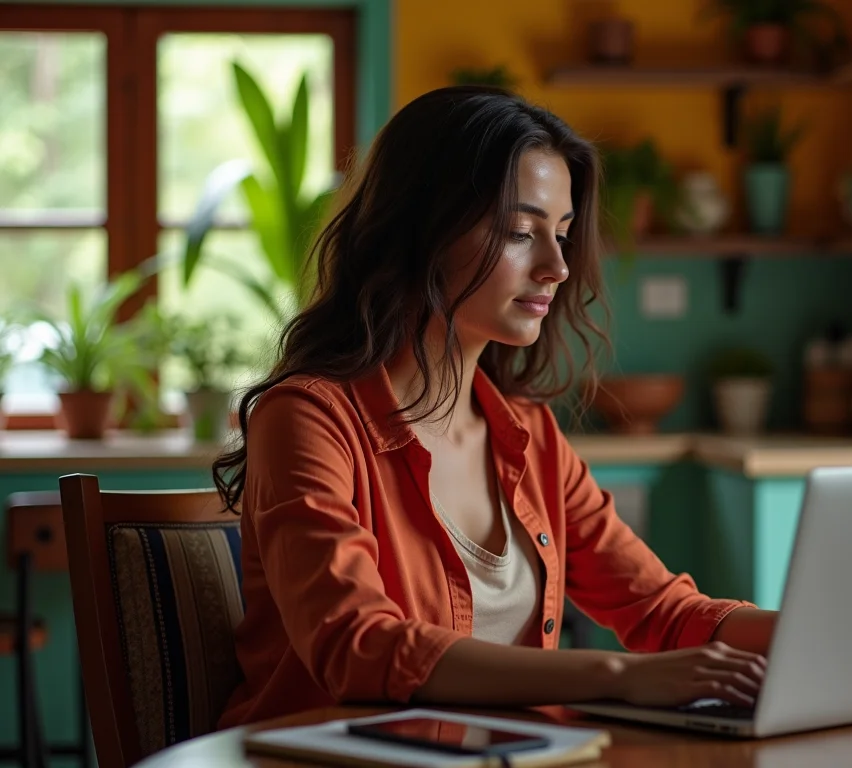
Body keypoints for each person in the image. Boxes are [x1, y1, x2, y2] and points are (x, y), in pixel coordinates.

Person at [215, 87, 778, 728]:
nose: (558, 267)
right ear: (420, 229)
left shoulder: (529, 433)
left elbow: (662, 611)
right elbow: (357, 645)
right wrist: (620, 676)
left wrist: (826, 636)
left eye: (562, 235)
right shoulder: (309, 420)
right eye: (520, 232)